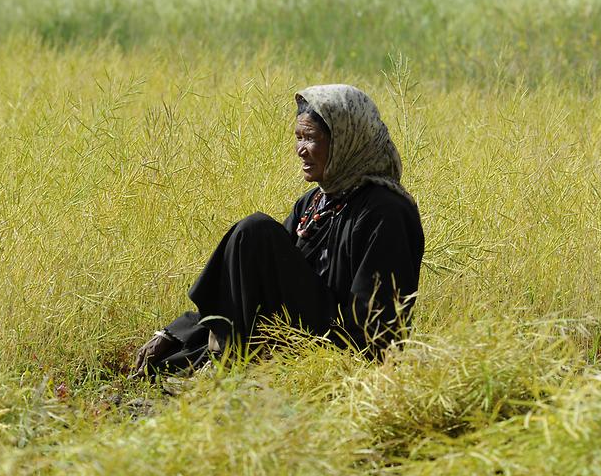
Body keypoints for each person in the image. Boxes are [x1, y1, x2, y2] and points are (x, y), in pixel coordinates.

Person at [132, 84, 424, 377]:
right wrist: (172, 332)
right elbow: (252, 282)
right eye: (298, 137)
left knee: (256, 230)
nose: (300, 150)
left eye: (310, 138)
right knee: (173, 357)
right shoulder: (314, 202)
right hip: (296, 336)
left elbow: (376, 324)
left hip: (341, 350)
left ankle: (228, 361)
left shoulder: (385, 212)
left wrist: (319, 365)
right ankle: (223, 355)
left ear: (346, 140)